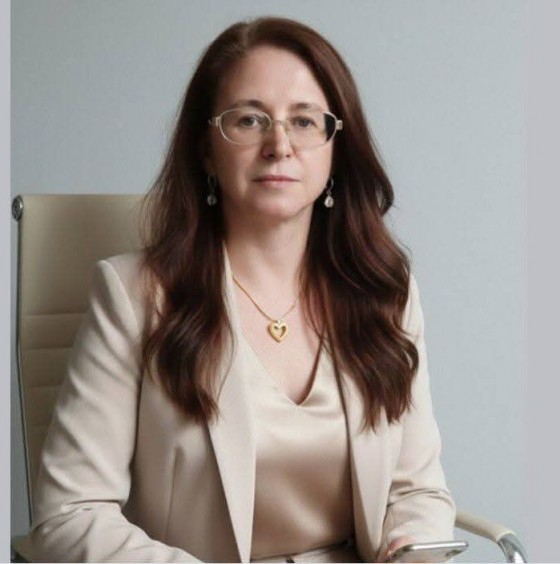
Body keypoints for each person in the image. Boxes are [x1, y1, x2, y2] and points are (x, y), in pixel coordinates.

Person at [20, 16, 456, 563]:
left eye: (305, 121)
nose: (280, 145)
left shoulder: (383, 292)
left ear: (335, 149)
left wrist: (414, 552)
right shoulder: (134, 297)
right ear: (206, 149)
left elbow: (416, 492)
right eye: (249, 120)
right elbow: (70, 514)